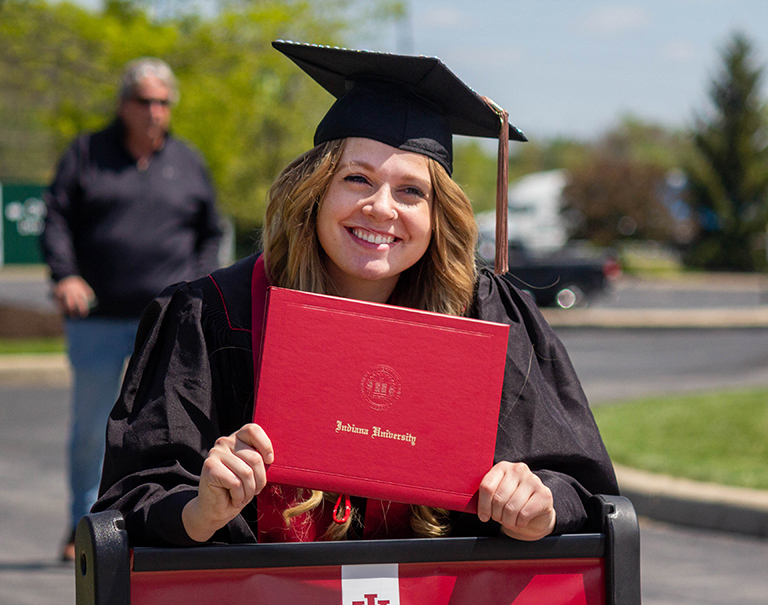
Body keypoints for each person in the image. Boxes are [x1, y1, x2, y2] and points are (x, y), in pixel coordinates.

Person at [93, 42, 618, 547]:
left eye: (411, 191)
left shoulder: (488, 316)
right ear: (315, 190)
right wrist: (199, 510)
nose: (382, 208)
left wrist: (540, 506)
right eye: (357, 178)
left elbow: (583, 489)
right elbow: (133, 498)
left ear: (438, 216)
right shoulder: (215, 314)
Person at [40, 58, 223, 561]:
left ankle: (145, 523)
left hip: (171, 324)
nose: (154, 111)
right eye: (144, 101)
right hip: (98, 318)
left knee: (164, 429)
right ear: (124, 104)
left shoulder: (188, 161)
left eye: (163, 102)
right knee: (91, 429)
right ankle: (86, 531)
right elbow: (54, 217)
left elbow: (211, 231)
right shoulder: (87, 154)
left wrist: (199, 283)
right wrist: (66, 275)